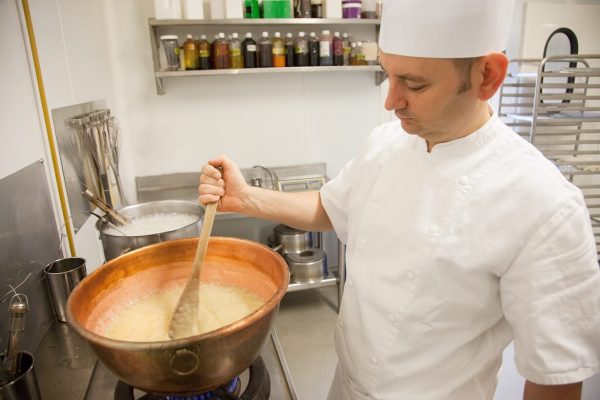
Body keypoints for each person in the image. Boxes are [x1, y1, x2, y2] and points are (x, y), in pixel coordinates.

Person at [198, 0, 600, 398]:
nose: (391, 102)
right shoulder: (387, 142)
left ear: (487, 76)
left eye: (415, 84)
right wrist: (246, 197)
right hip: (346, 385)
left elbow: (555, 376)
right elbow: (331, 207)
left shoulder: (544, 204)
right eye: (388, 75)